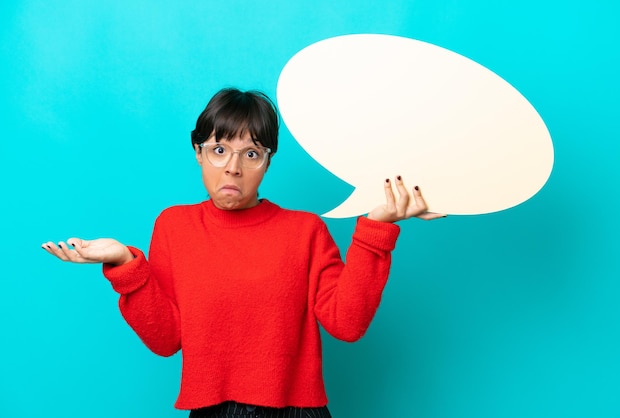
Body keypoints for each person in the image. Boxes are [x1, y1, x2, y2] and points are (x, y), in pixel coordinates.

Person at [42, 87, 445, 418]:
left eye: (251, 154)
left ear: (267, 163)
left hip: (297, 411)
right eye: (219, 150)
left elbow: (347, 324)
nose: (233, 167)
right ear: (198, 151)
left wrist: (377, 229)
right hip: (212, 411)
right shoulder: (174, 226)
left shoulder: (305, 231)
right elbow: (166, 339)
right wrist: (125, 264)